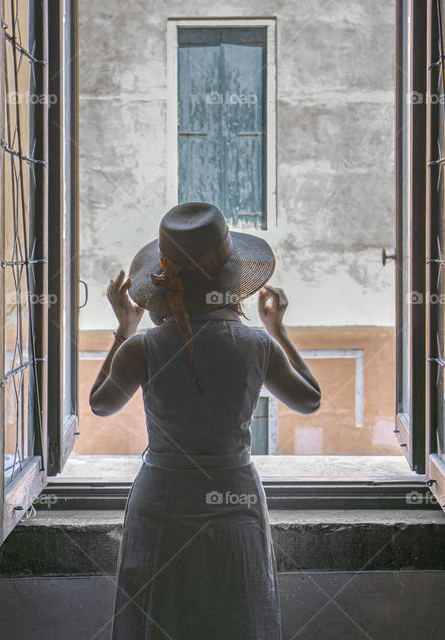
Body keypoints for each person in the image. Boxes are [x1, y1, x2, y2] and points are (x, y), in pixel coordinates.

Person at [89, 202, 321, 640]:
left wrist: (123, 330)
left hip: (163, 502)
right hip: (233, 499)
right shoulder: (255, 346)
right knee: (233, 614)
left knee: (163, 617)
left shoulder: (143, 349)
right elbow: (309, 401)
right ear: (229, 281)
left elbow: (100, 405)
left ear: (163, 281)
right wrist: (278, 331)